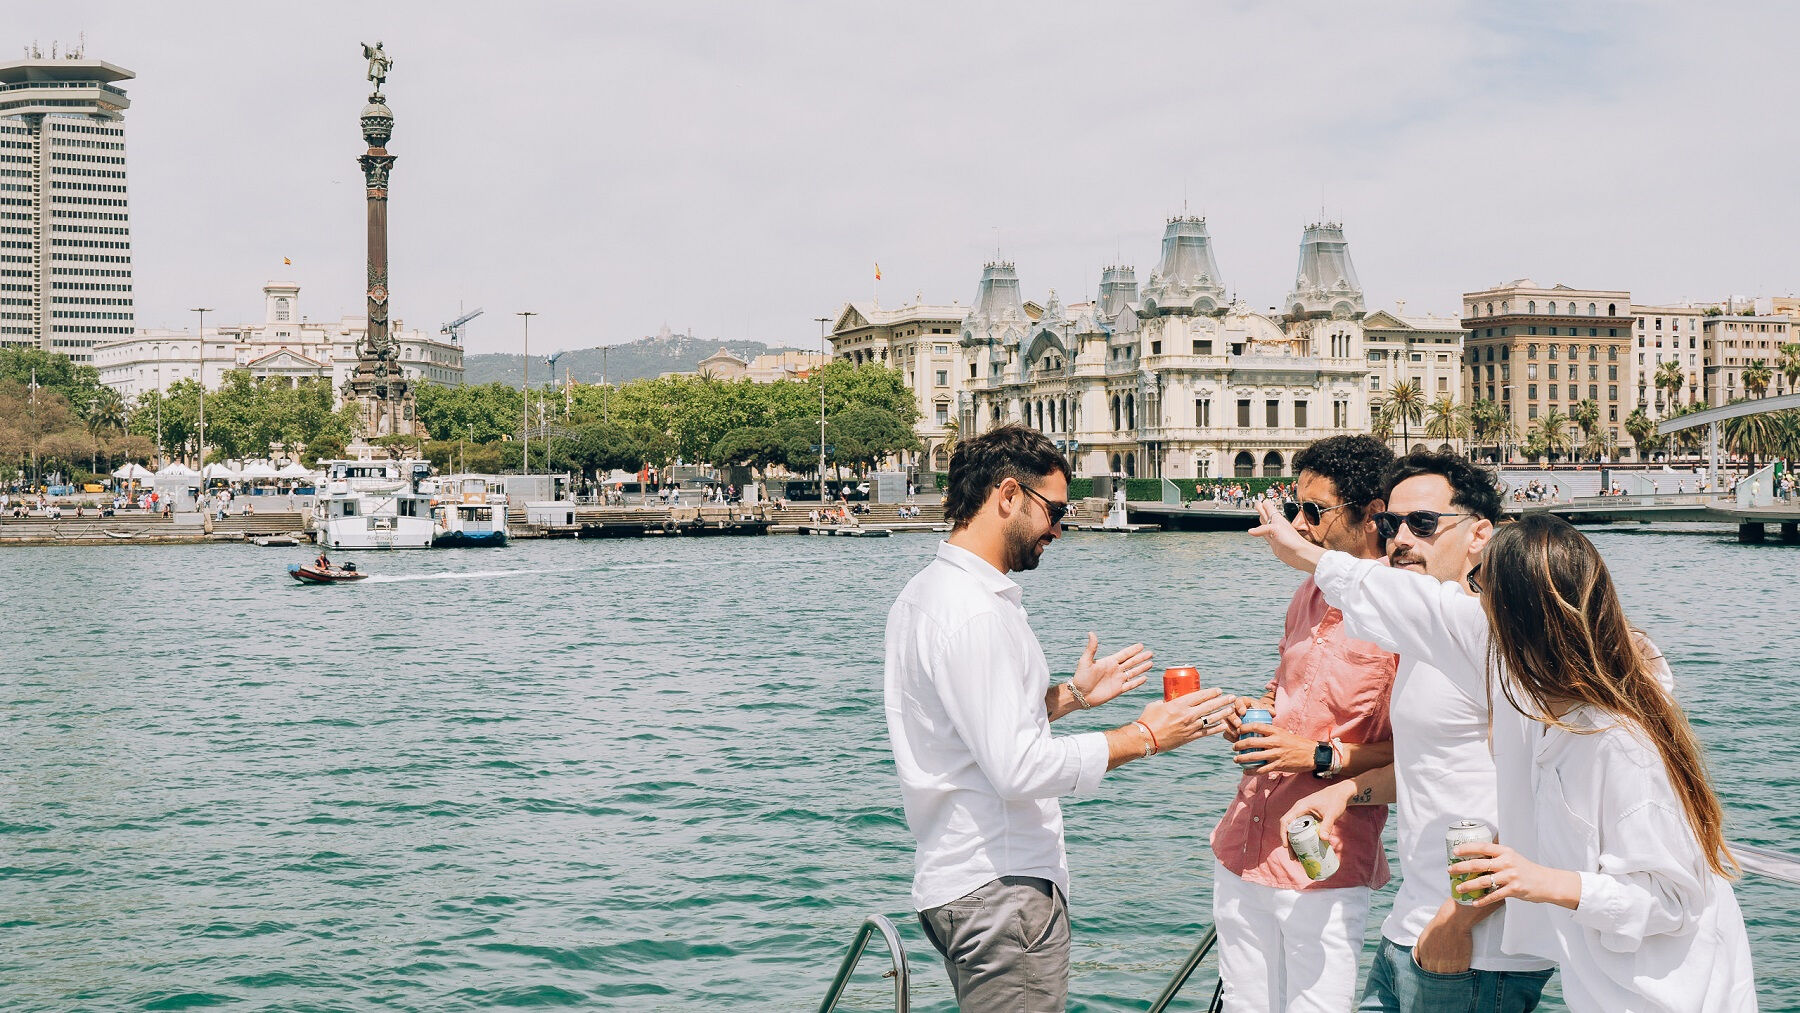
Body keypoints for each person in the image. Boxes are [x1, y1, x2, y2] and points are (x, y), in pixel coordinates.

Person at [1255, 503, 1756, 1011]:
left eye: (1481, 587)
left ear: (1520, 616)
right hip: (1595, 977)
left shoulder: (1621, 741)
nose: (1471, 600)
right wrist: (1307, 555)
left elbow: (1671, 901)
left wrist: (1539, 880)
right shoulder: (1516, 673)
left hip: (1676, 991)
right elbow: (1416, 603)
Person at [885, 424, 1233, 1011]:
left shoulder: (925, 595)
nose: (1060, 528)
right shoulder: (977, 615)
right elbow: (1017, 769)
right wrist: (1145, 736)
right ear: (1009, 495)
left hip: (957, 878)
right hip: (1001, 890)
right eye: (1055, 510)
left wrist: (1069, 696)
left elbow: (966, 725)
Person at [1267, 451, 1553, 1011]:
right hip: (1412, 925)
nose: (1399, 538)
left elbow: (1543, 800)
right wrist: (1345, 791)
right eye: (1389, 523)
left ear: (1479, 535)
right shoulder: (1430, 639)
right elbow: (1434, 764)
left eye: (1421, 523)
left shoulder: (1501, 638)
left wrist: (1458, 921)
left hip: (1478, 949)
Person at [1209, 435, 1399, 1012]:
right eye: (1297, 507)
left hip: (1324, 861)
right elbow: (1284, 688)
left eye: (1314, 511)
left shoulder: (1404, 613)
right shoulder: (1308, 592)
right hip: (1243, 842)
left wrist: (1314, 755)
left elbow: (1418, 755)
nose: (1300, 524)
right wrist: (1251, 716)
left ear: (1370, 514)